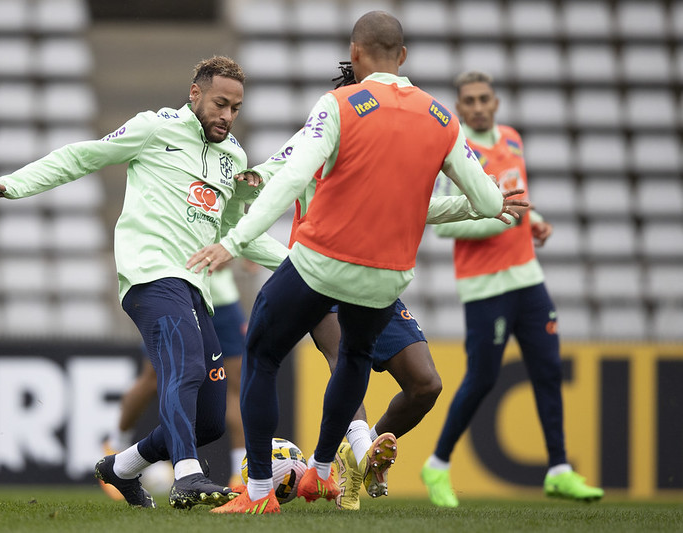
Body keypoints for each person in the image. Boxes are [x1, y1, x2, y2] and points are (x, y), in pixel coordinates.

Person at [187, 12, 508, 514]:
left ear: (355, 54)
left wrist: (235, 240)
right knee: (353, 359)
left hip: (323, 262)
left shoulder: (339, 105)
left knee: (263, 355)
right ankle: (322, 471)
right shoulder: (441, 117)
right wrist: (491, 202)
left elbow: (291, 177)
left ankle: (257, 494)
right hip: (386, 275)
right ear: (403, 57)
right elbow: (489, 203)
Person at [0, 56, 289, 510]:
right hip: (150, 274)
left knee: (209, 419)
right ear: (195, 94)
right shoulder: (155, 128)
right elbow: (81, 156)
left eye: (235, 109)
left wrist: (298, 266)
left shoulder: (234, 158)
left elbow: (237, 235)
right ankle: (188, 476)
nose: (226, 116)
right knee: (182, 368)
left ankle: (121, 467)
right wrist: (15, 183)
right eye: (220, 104)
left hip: (196, 288)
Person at [420, 71, 604, 507]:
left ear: (496, 103)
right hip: (484, 286)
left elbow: (518, 198)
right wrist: (504, 219)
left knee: (548, 369)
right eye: (470, 100)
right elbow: (443, 229)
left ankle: (558, 468)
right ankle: (437, 465)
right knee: (482, 378)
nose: (479, 106)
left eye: (485, 98)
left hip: (527, 276)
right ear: (460, 108)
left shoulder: (513, 140)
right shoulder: (454, 152)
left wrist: (534, 223)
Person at [98, 266, 251, 501]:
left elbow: (245, 240)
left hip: (220, 299)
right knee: (152, 379)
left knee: (234, 385)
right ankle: (116, 444)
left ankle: (239, 474)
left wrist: (236, 251)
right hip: (176, 295)